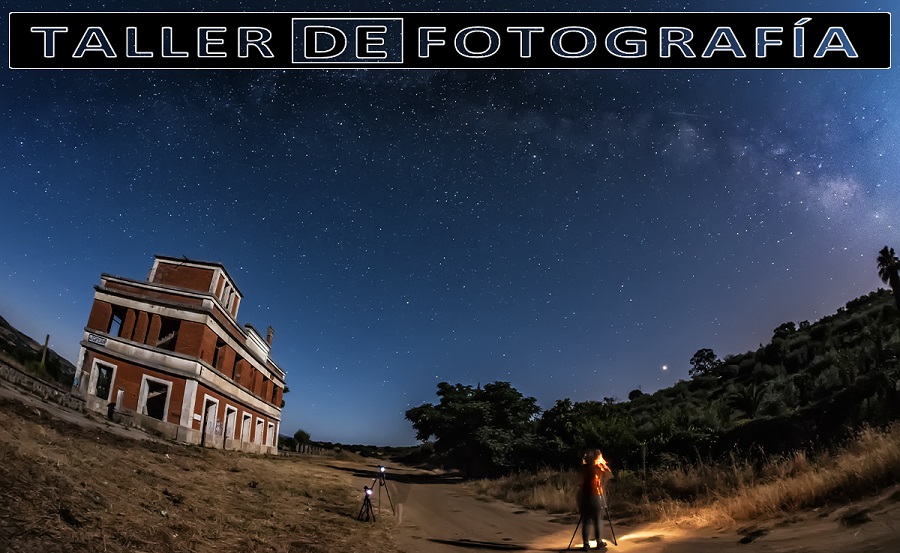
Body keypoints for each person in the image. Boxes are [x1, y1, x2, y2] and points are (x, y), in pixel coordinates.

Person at [578, 448, 611, 550]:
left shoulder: (584, 467)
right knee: (597, 519)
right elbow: (609, 474)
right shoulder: (598, 467)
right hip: (595, 495)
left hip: (584, 496)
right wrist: (604, 465)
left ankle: (586, 544)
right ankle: (599, 542)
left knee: (586, 520)